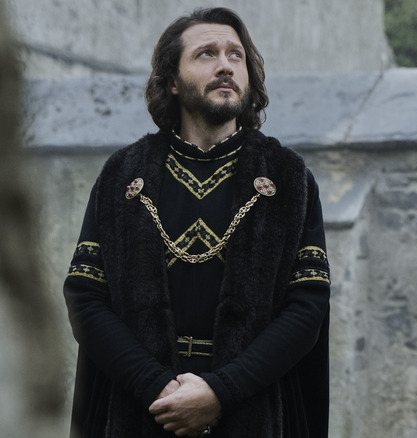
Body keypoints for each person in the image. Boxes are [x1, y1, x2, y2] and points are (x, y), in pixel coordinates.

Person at [64, 8, 330, 438]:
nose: (225, 65)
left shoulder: (287, 177)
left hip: (253, 410)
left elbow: (308, 307)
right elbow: (86, 298)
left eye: (236, 55)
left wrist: (220, 392)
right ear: (173, 80)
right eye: (206, 54)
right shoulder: (122, 175)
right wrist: (159, 388)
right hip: (142, 409)